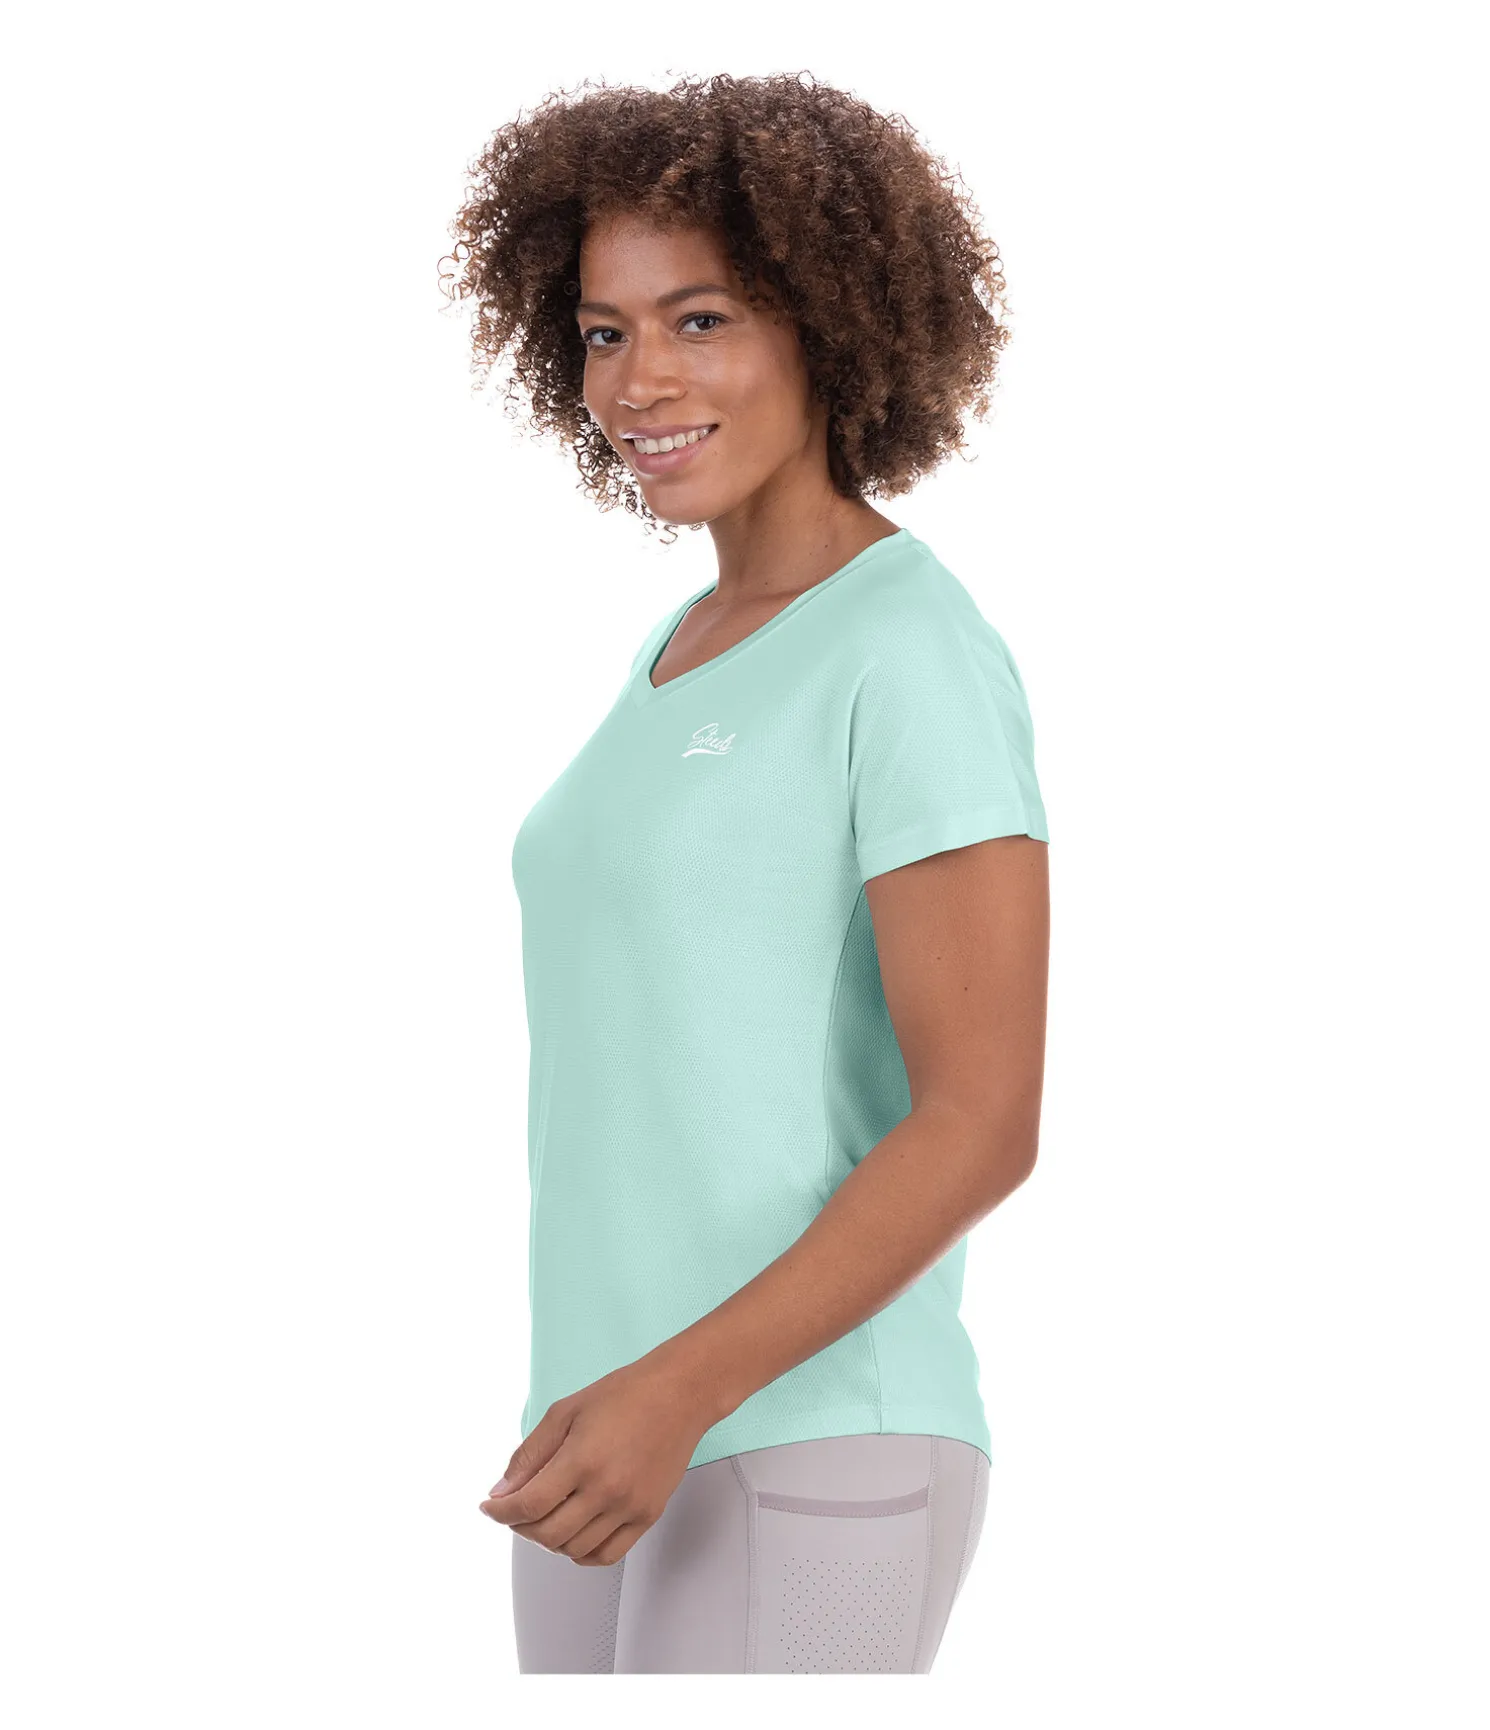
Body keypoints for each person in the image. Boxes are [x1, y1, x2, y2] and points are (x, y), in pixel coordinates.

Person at [442, 70, 1051, 1673]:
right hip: (594, 1434)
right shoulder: (681, 648)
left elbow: (980, 1117)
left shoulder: (906, 646)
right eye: (602, 331)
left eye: (699, 320)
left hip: (805, 1432)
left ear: (831, 327)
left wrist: (679, 1388)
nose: (637, 379)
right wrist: (624, 1399)